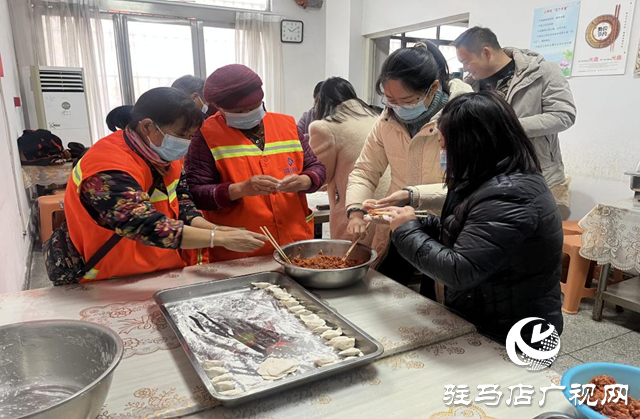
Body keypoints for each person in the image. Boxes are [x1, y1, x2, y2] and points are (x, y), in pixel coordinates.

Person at [389, 91, 564, 344]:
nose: (443, 152)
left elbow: (461, 270)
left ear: (471, 144)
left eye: (444, 145)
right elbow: (471, 236)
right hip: (489, 315)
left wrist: (407, 232)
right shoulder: (487, 179)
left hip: (516, 334)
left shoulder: (509, 195)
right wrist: (420, 223)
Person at [45, 87, 266, 284]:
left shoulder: (162, 155)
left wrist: (214, 228)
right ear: (148, 126)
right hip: (112, 278)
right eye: (181, 135)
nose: (187, 143)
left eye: (191, 136)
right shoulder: (107, 167)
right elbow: (142, 224)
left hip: (160, 270)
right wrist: (219, 239)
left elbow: (181, 201)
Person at [345, 42, 473, 297]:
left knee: (436, 296)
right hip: (399, 223)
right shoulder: (385, 121)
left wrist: (411, 194)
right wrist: (356, 211)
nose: (398, 108)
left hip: (446, 225)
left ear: (433, 88)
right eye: (389, 99)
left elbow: (468, 185)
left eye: (406, 100)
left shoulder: (463, 118)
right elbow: (365, 171)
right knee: (384, 287)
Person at [185, 64, 327, 262]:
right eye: (239, 111)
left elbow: (316, 167)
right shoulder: (205, 136)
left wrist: (305, 180)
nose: (247, 113)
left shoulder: (286, 125)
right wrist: (239, 189)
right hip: (241, 252)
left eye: (253, 107)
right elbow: (196, 193)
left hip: (295, 244)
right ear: (219, 108)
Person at [454, 27, 577, 218]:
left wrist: (507, 126)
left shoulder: (542, 71)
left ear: (486, 52)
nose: (465, 68)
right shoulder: (470, 86)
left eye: (467, 61)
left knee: (532, 241)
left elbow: (563, 115)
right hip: (487, 178)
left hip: (536, 175)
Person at [309, 77, 391, 245]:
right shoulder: (377, 117)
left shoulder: (325, 127)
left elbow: (319, 176)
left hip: (355, 206)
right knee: (377, 260)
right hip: (387, 203)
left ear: (321, 100)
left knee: (351, 261)